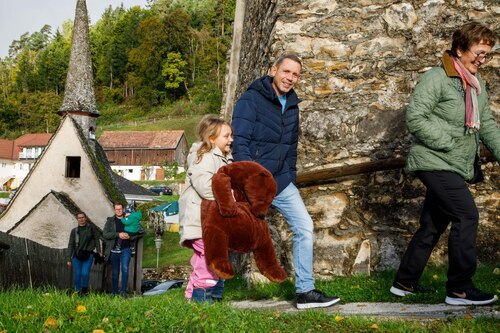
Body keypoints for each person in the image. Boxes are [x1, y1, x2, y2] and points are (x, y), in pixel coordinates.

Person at [390, 22, 499, 306]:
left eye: (487, 54)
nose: (482, 59)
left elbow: (485, 124)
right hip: (435, 160)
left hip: (453, 164)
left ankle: (405, 282)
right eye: (478, 52)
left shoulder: (476, 85)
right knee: (467, 215)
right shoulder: (437, 78)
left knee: (433, 223)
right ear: (460, 49)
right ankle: (460, 289)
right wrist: (448, 142)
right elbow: (416, 118)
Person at [231, 52, 340, 310]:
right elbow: (240, 144)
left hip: (281, 182)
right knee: (231, 230)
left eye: (295, 75)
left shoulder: (292, 103)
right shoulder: (251, 100)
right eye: (286, 72)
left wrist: (289, 175)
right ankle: (206, 286)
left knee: (305, 227)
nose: (290, 78)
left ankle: (305, 291)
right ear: (273, 70)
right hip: (255, 183)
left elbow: (291, 146)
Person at [179, 115, 233, 302]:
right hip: (200, 218)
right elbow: (206, 186)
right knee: (211, 256)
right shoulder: (204, 157)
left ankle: (193, 295)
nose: (231, 139)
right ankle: (202, 297)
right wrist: (230, 200)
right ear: (212, 138)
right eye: (226, 136)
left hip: (210, 220)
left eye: (231, 136)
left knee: (206, 257)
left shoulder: (223, 158)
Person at [103, 203, 140, 296]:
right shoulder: (110, 221)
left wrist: (129, 236)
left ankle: (123, 291)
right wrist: (117, 234)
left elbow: (136, 232)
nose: (118, 211)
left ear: (123, 209)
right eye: (116, 209)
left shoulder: (129, 218)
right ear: (114, 210)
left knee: (125, 269)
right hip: (114, 250)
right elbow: (105, 234)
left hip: (126, 249)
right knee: (115, 272)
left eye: (120, 209)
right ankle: (114, 292)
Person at [67, 211, 102, 295]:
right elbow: (71, 244)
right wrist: (68, 258)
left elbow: (97, 239)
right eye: (79, 218)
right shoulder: (74, 231)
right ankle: (77, 291)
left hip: (88, 254)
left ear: (85, 218)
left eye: (83, 217)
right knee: (77, 274)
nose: (81, 219)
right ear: (77, 219)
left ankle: (85, 290)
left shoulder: (91, 228)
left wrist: (99, 251)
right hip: (77, 255)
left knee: (85, 273)